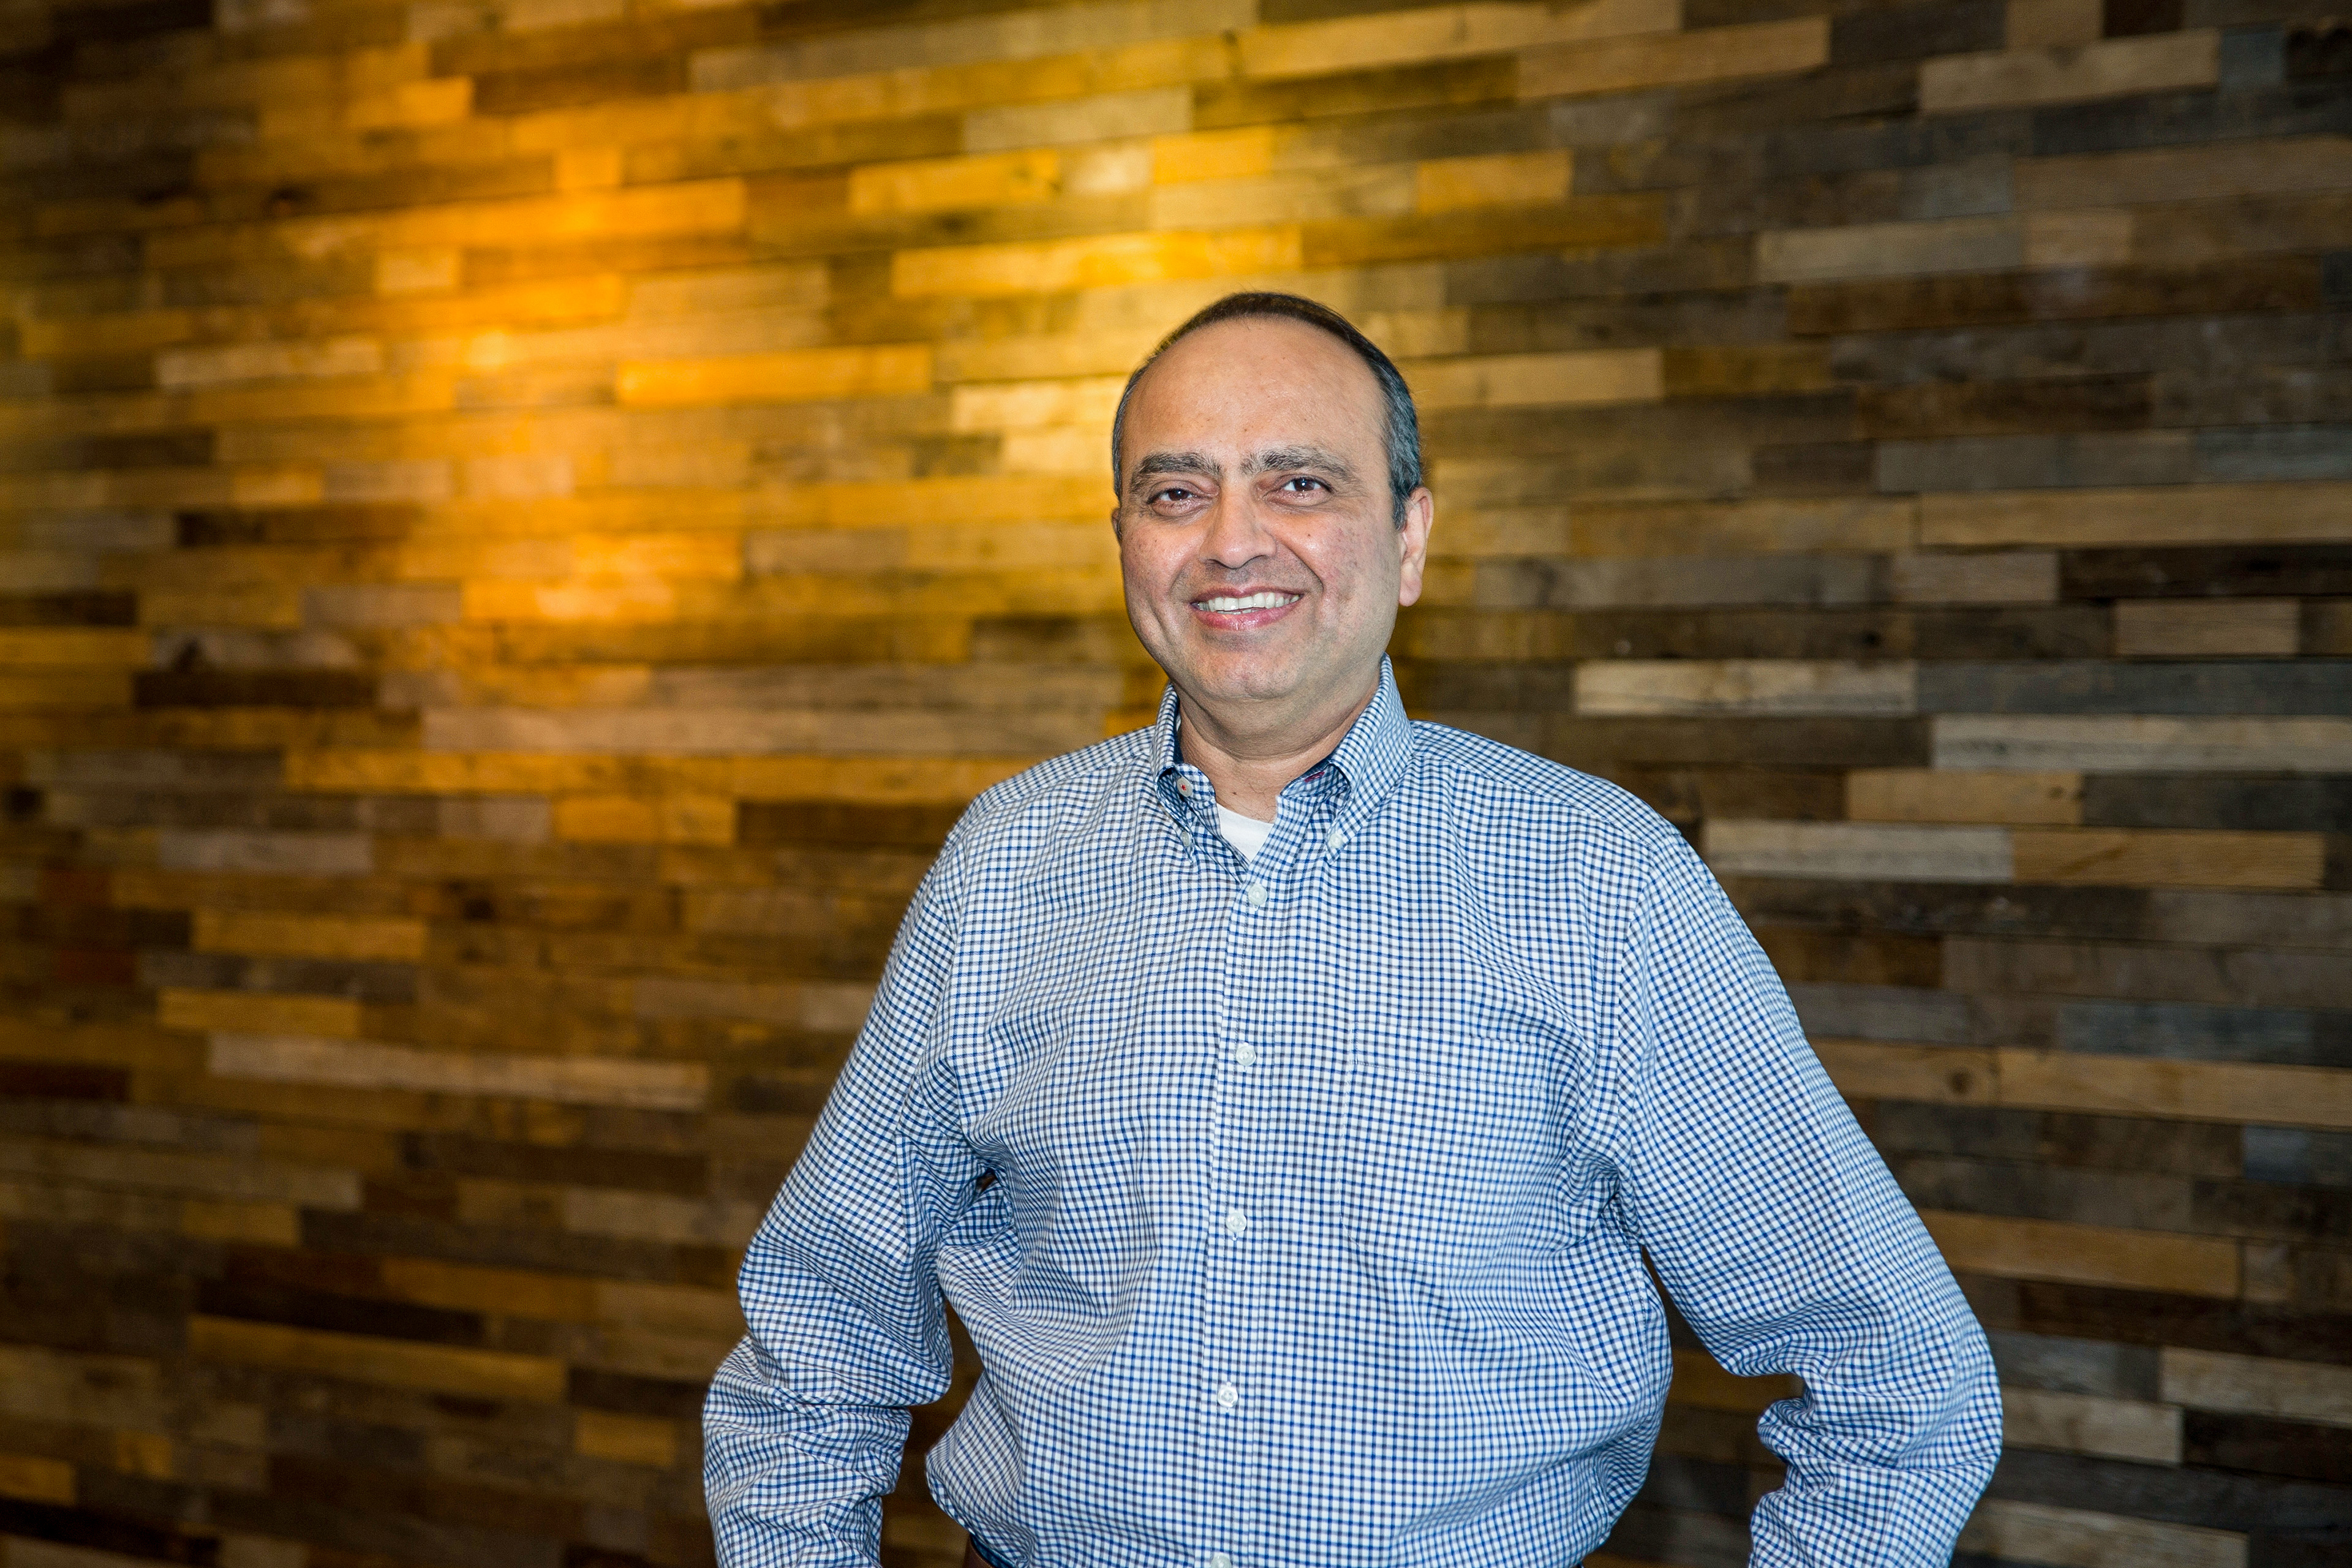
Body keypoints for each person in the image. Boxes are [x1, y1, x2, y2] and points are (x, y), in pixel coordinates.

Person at [703, 292, 2002, 1567]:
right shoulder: (1005, 861)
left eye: (1301, 483)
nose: (1231, 542)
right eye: (1176, 492)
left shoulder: (1601, 882)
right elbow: (820, 1329)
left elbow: (1898, 1379)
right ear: (1124, 542)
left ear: (1411, 536)